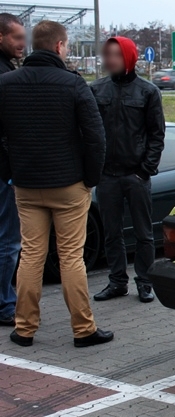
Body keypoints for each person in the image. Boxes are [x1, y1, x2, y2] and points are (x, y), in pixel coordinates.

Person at [0, 20, 113, 348]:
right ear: (60, 46)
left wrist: (10, 173)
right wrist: (90, 179)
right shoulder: (73, 84)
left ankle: (24, 328)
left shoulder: (6, 83)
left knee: (31, 255)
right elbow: (96, 137)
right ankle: (83, 329)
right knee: (71, 257)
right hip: (68, 184)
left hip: (25, 184)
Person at [91, 37, 165, 303]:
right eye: (108, 55)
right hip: (107, 176)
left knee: (144, 234)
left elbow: (157, 135)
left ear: (129, 57)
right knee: (112, 233)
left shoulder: (147, 91)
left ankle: (145, 282)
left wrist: (145, 170)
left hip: (136, 175)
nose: (111, 60)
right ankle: (117, 282)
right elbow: (89, 132)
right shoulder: (96, 89)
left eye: (117, 55)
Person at [0, 13, 25, 327]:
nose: (23, 43)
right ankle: (5, 304)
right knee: (9, 240)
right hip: (5, 171)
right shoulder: (5, 76)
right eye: (17, 37)